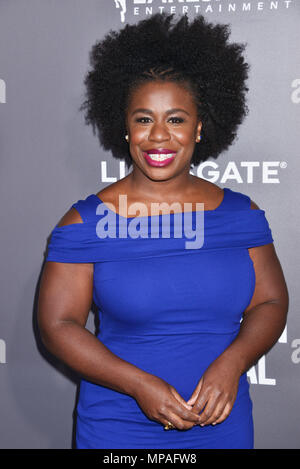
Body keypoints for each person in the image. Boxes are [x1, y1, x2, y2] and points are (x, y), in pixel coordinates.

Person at [37, 13, 289, 449]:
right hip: (118, 424)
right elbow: (59, 324)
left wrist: (232, 363)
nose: (158, 137)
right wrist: (137, 384)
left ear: (200, 125)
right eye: (143, 119)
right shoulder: (85, 223)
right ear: (125, 126)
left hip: (221, 423)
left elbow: (270, 300)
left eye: (175, 119)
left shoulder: (242, 215)